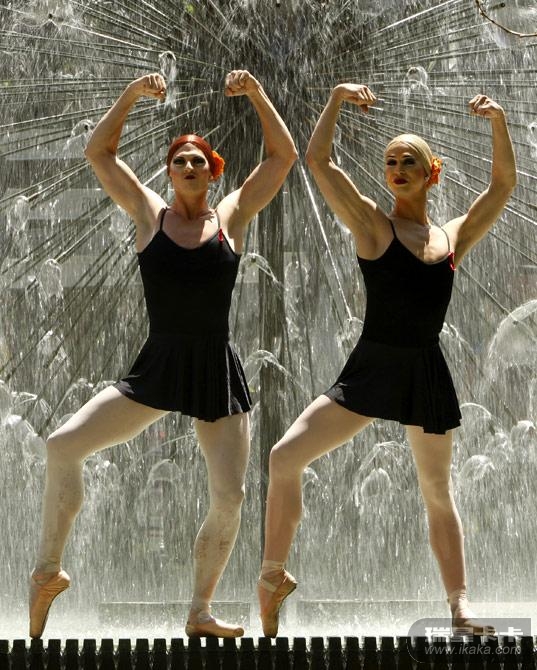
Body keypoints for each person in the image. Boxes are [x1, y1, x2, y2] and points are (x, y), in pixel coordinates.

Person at [29, 70, 297, 639]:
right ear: (170, 172)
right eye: (180, 161)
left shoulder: (231, 217)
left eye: (199, 160)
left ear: (213, 170)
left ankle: (199, 611)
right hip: (159, 365)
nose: (190, 167)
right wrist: (130, 94)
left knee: (231, 495)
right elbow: (99, 153)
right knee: (62, 446)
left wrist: (256, 94)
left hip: (215, 369)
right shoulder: (150, 215)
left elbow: (283, 157)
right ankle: (47, 571)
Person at [257, 85, 516, 637]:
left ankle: (460, 607)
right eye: (391, 162)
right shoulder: (374, 225)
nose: (397, 170)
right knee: (284, 457)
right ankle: (272, 575)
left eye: (409, 162)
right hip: (372, 367)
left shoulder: (450, 237)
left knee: (438, 493)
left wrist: (498, 121)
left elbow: (501, 187)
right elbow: (319, 161)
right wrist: (334, 98)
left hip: (424, 370)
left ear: (432, 173)